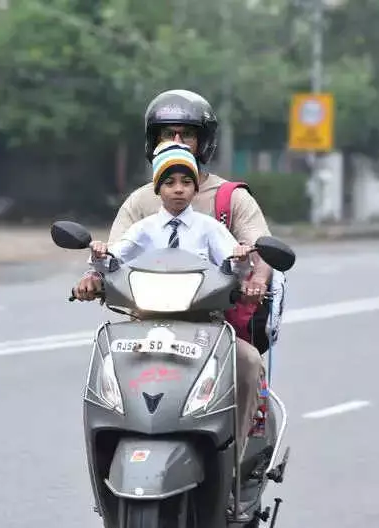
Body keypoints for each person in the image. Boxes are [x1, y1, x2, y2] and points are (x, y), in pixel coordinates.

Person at [72, 89, 287, 461]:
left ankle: (232, 459)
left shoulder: (230, 198)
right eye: (166, 134)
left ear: (204, 142)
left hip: (208, 322)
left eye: (186, 134)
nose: (176, 141)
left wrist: (255, 281)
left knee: (248, 362)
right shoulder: (142, 201)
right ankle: (109, 454)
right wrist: (93, 277)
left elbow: (259, 249)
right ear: (151, 142)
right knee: (105, 364)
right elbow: (115, 252)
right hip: (144, 320)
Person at [89, 141, 255, 269]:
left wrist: (241, 258)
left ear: (195, 189)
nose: (179, 189)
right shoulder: (143, 229)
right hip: (151, 303)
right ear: (157, 189)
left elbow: (236, 267)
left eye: (187, 182)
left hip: (201, 303)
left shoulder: (210, 228)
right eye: (169, 183)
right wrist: (100, 253)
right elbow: (111, 261)